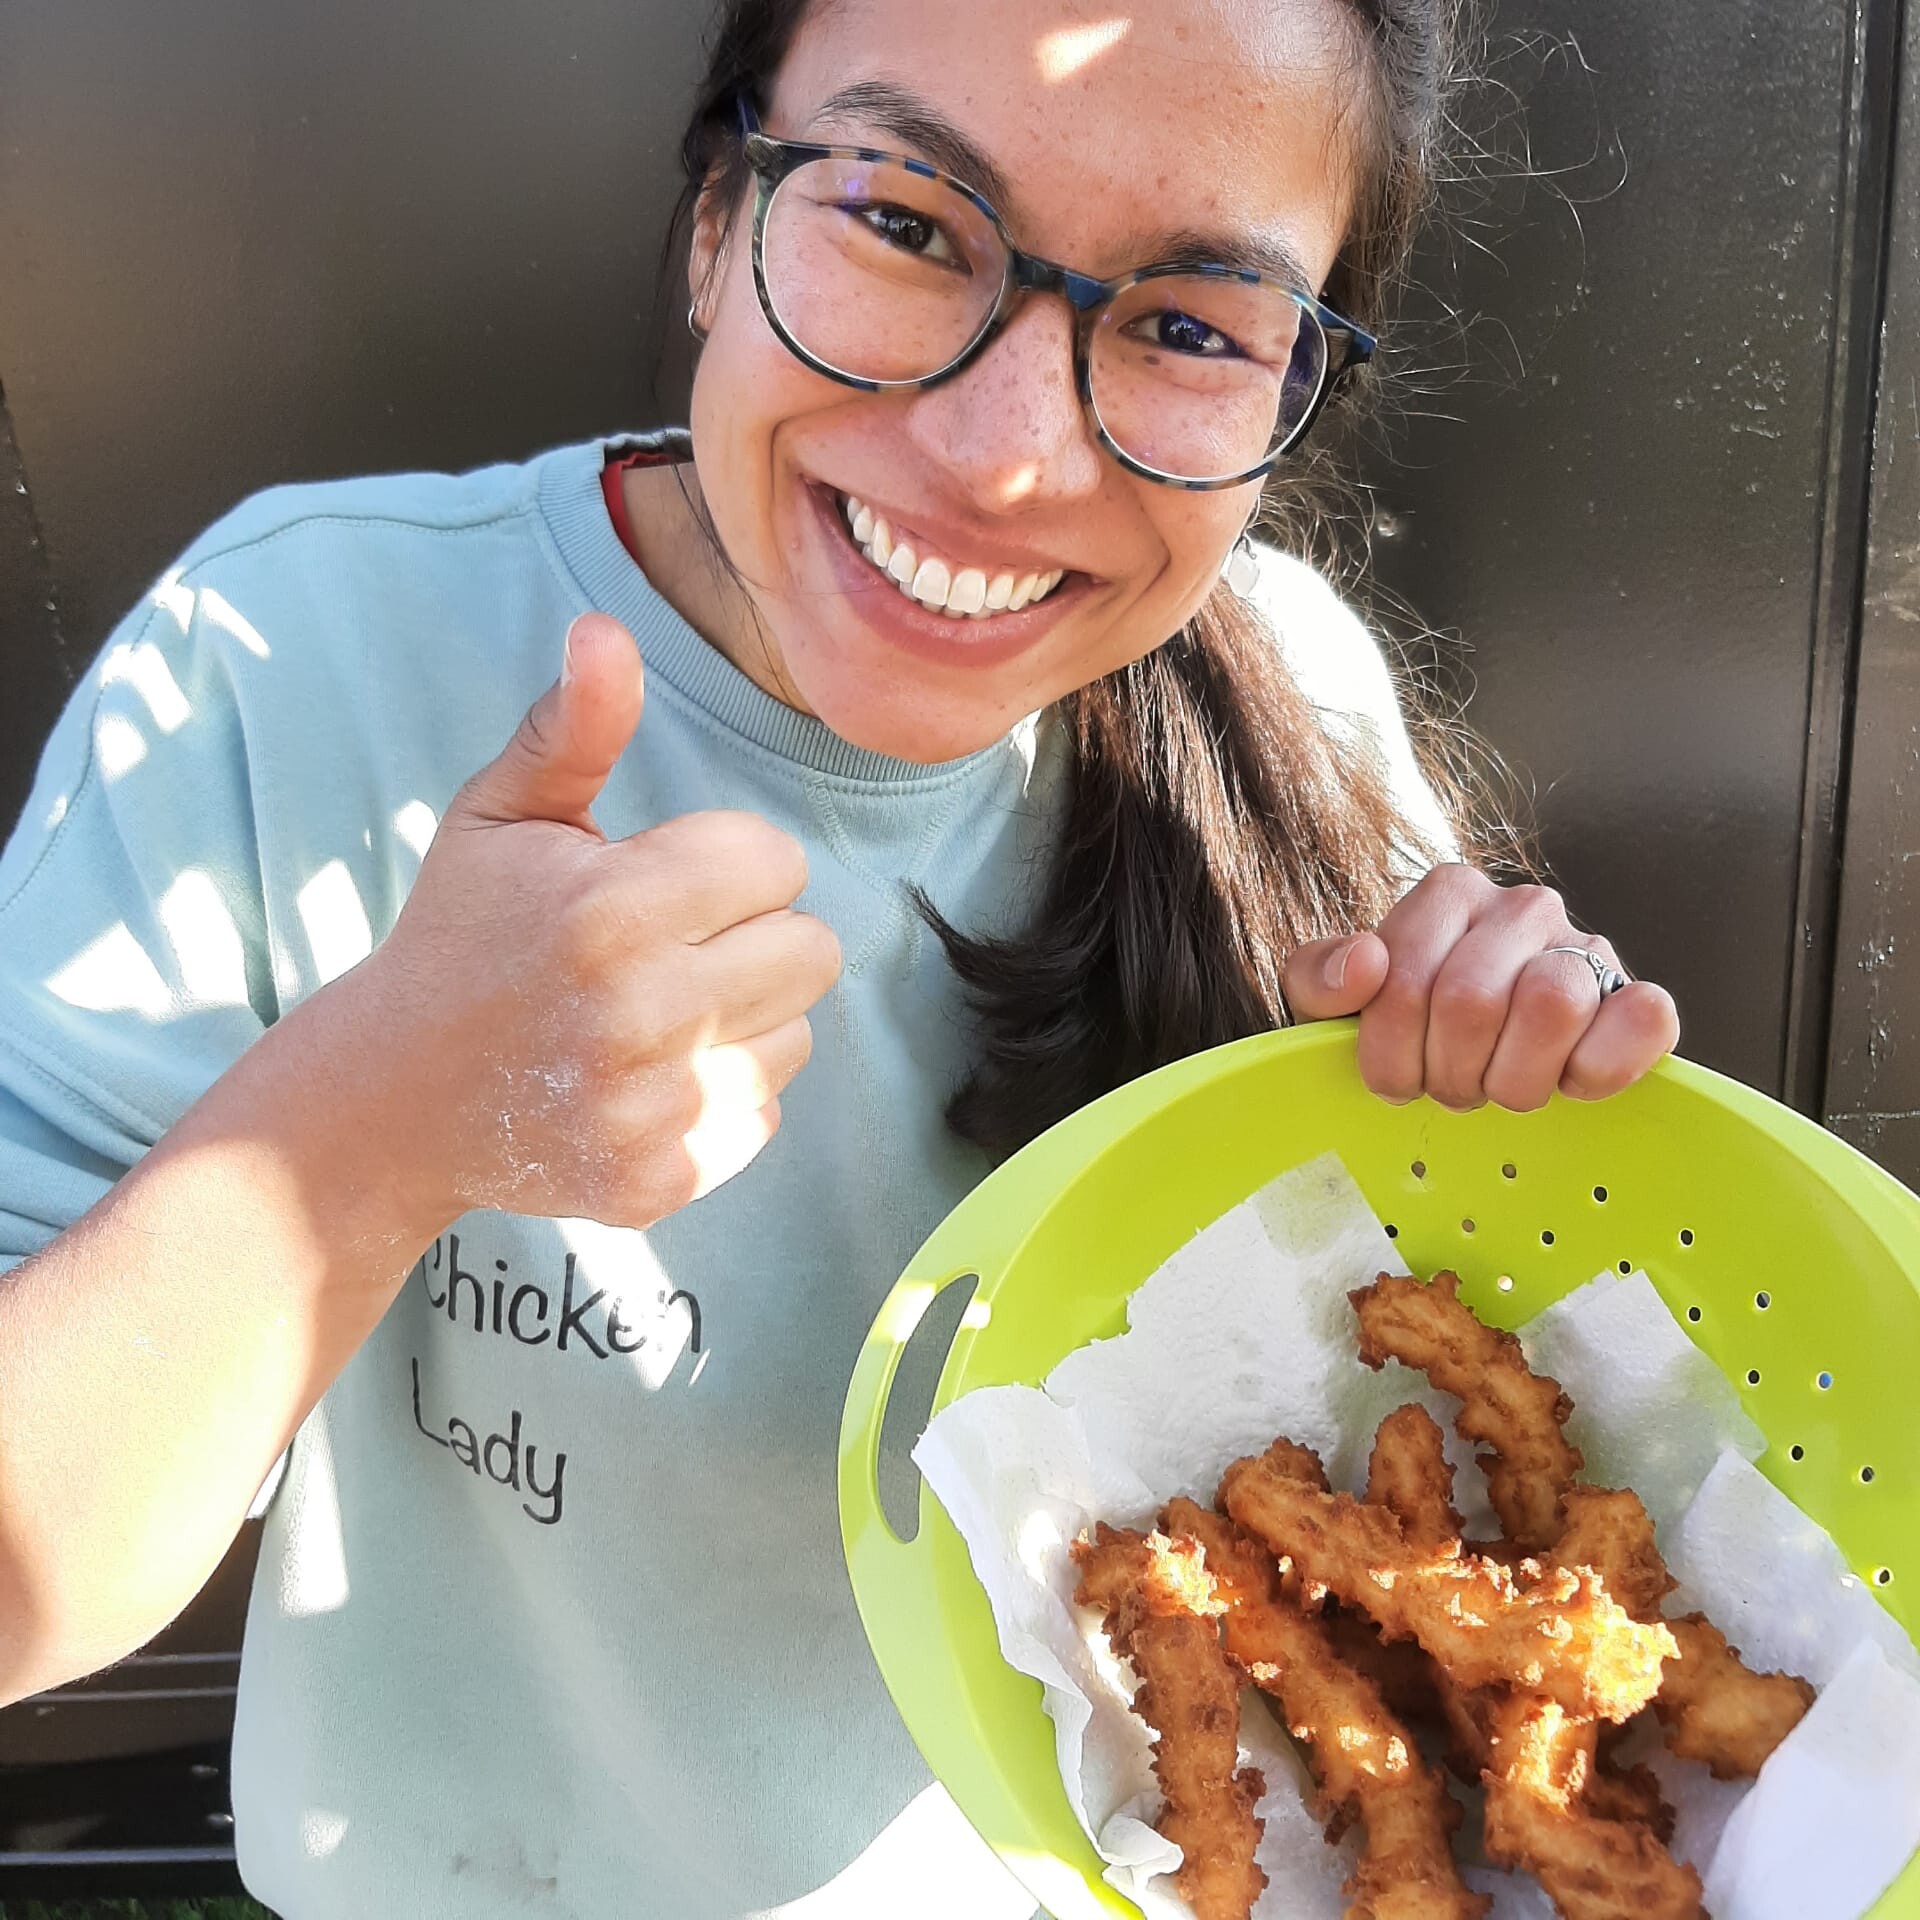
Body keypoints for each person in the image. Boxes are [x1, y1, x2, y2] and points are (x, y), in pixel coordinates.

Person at [0, 0, 1679, 1913]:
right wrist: (364, 1129)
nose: (1008, 456)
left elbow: (1429, 1386)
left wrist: (1495, 1075)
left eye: (1195, 324)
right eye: (904, 221)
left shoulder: (1292, 694)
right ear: (720, 218)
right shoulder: (297, 668)